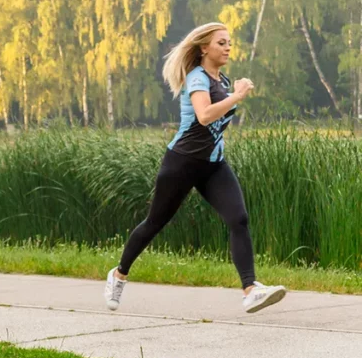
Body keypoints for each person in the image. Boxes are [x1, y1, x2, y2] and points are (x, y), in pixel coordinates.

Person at [103, 22, 287, 314]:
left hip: (213, 165)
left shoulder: (221, 79)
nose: (228, 48)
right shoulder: (197, 78)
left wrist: (232, 93)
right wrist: (237, 96)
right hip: (182, 163)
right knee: (155, 223)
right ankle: (119, 274)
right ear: (204, 48)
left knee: (238, 218)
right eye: (221, 43)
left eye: (229, 43)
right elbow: (203, 116)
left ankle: (250, 290)